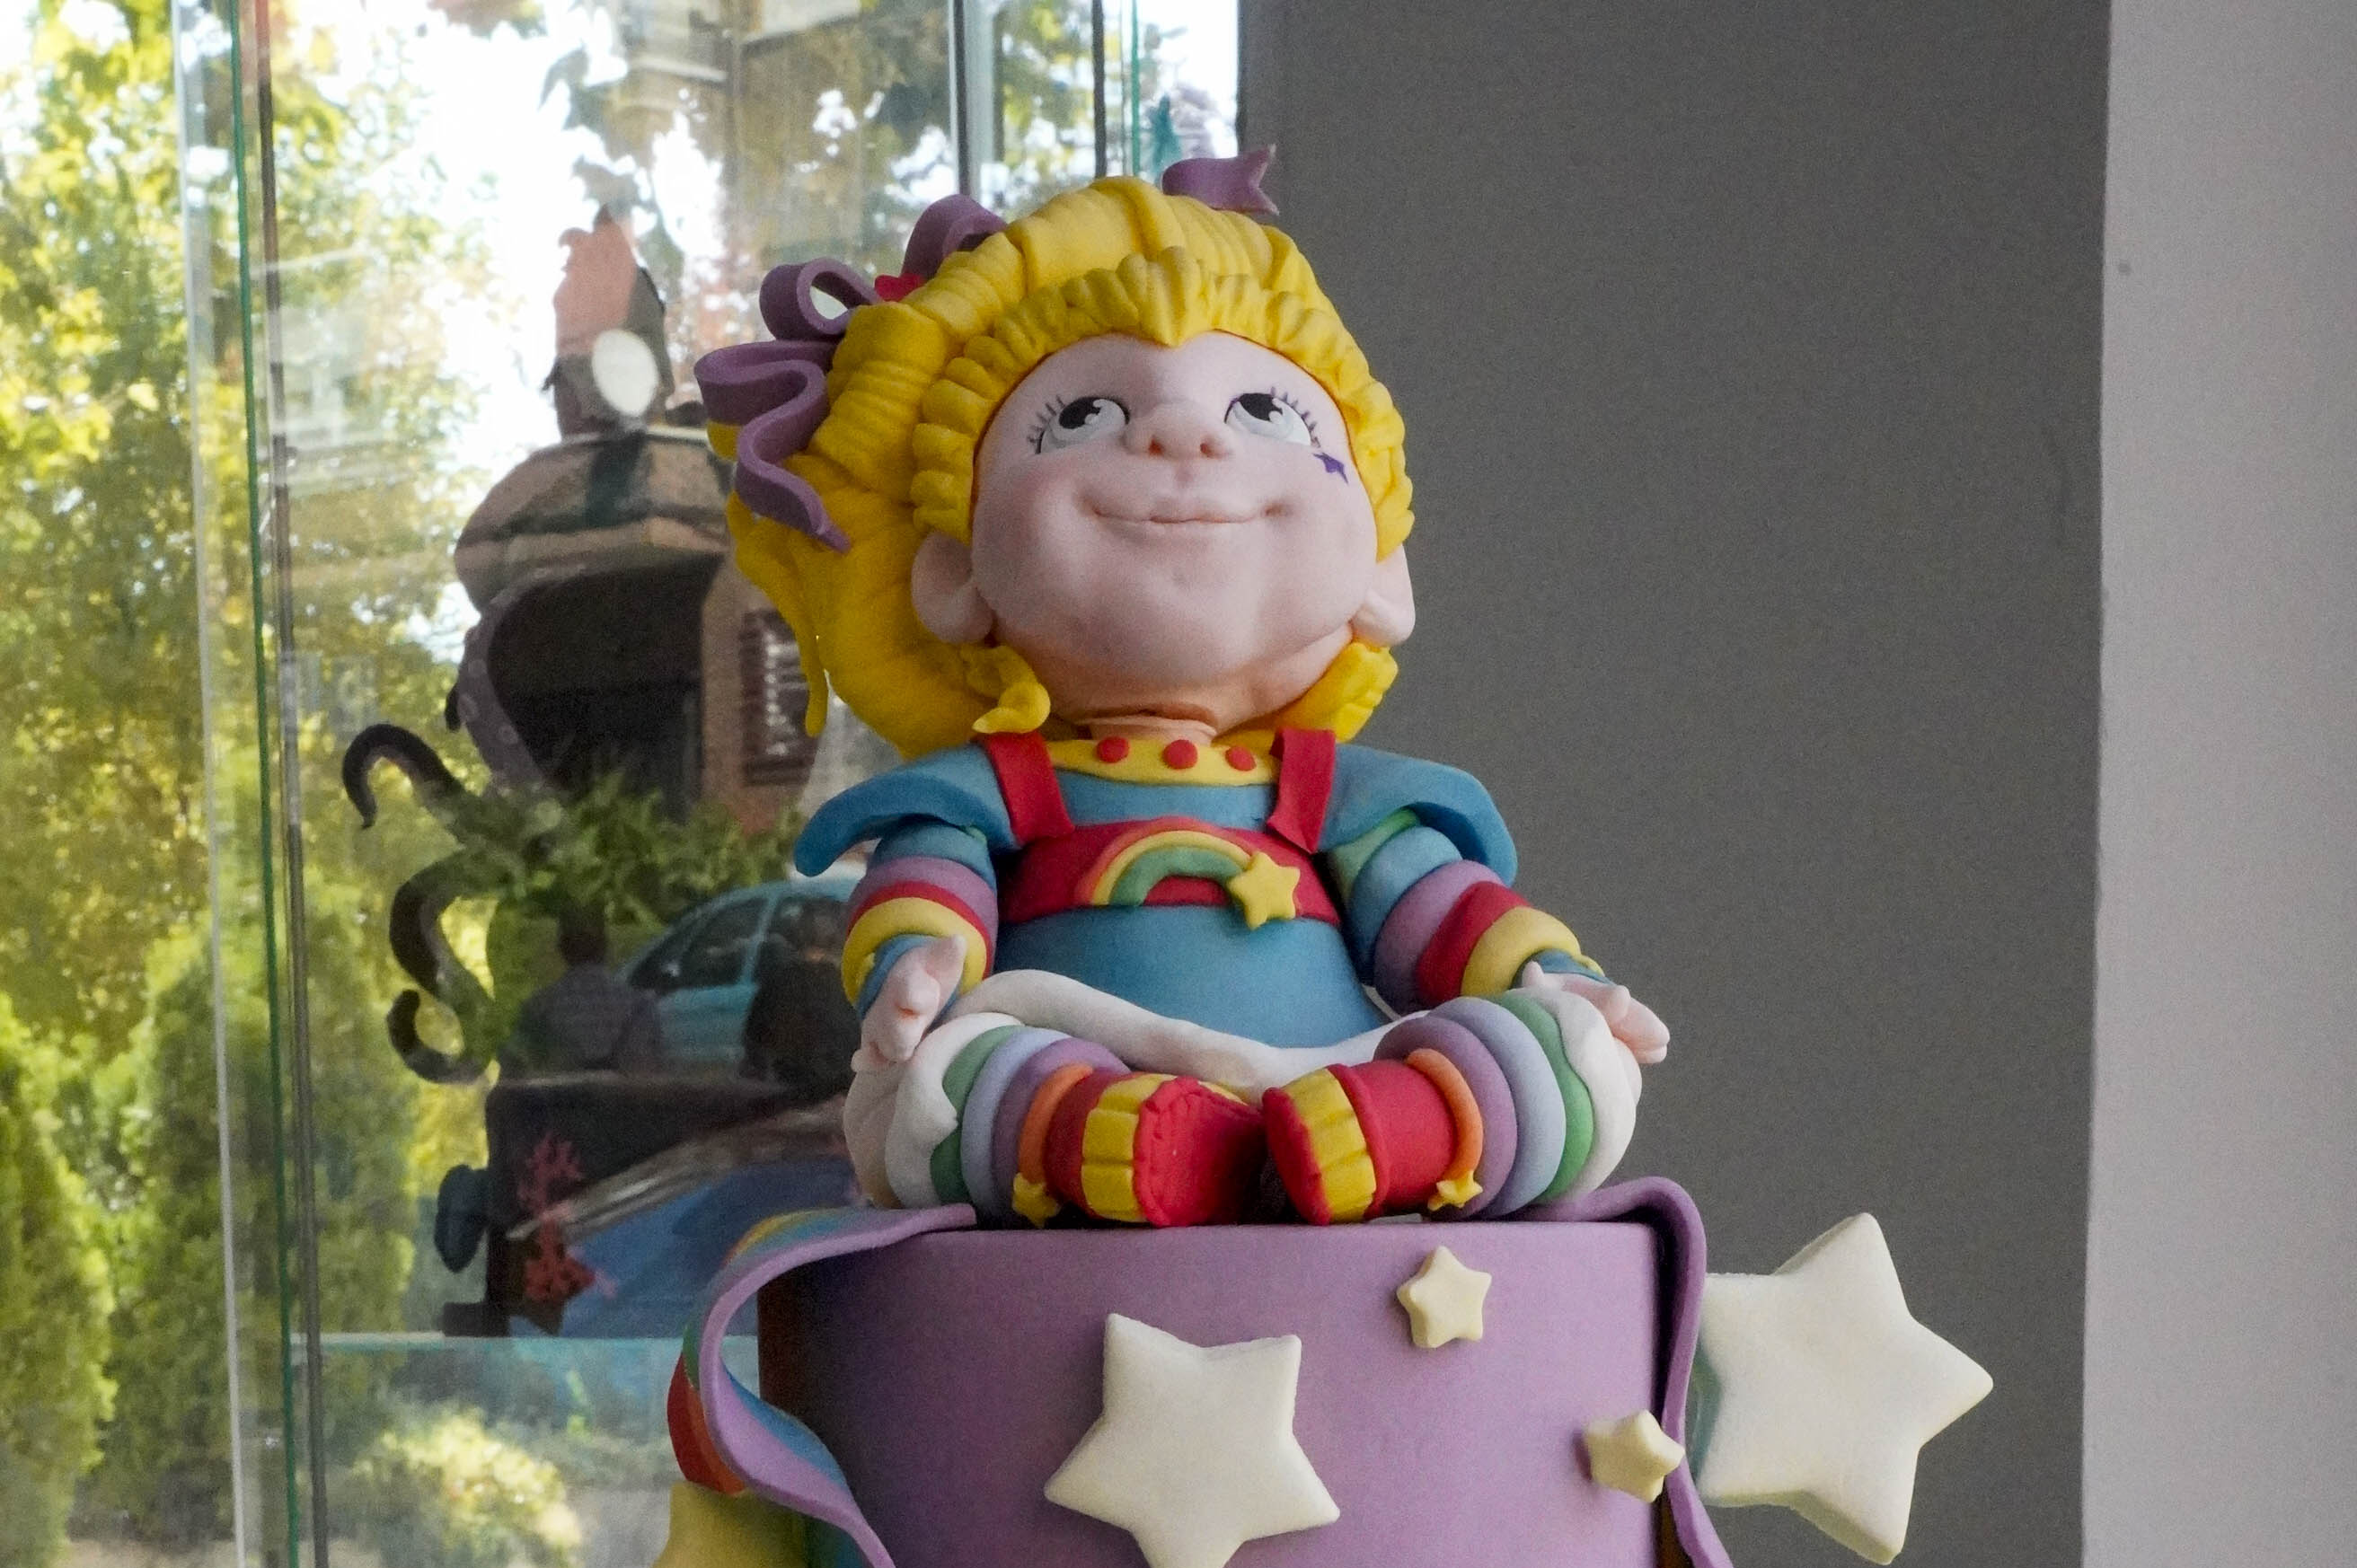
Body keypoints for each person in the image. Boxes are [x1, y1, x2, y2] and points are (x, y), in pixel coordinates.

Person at [696, 164, 1667, 1229]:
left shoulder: (1327, 794)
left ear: (1381, 575)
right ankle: (1098, 1139)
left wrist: (1544, 972)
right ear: (953, 572)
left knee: (1571, 1062)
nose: (1183, 433)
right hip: (1073, 1053)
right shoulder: (1002, 790)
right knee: (947, 1085)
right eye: (1081, 415)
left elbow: (1434, 910)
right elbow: (933, 882)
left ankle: (1399, 1133)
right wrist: (915, 962)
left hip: (1331, 1074)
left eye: (1263, 411)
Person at [508, 910, 663, 1075]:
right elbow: (649, 1068)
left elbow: (518, 1071)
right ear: (605, 946)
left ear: (562, 949)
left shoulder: (539, 1008)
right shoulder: (638, 1006)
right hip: (621, 1090)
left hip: (559, 1091)